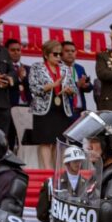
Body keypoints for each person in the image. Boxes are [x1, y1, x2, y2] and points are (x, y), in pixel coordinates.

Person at [28, 40, 77, 171]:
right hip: (44, 109)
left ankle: (59, 170)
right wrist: (52, 85)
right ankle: (47, 170)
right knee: (46, 140)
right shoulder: (37, 67)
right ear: (46, 54)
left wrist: (69, 90)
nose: (58, 57)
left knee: (59, 141)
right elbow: (33, 88)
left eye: (60, 54)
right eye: (55, 54)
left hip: (61, 109)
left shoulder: (65, 68)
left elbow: (74, 88)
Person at [60, 41, 91, 117]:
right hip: (65, 112)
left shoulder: (79, 68)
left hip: (80, 112)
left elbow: (89, 88)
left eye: (73, 51)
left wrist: (86, 85)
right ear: (60, 53)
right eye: (67, 51)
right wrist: (77, 84)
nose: (70, 53)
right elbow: (60, 88)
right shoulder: (58, 68)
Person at [5, 38, 29, 106]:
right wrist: (18, 78)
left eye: (18, 50)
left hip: (27, 106)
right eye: (13, 50)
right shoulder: (3, 69)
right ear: (6, 51)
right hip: (10, 105)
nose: (16, 52)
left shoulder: (28, 69)